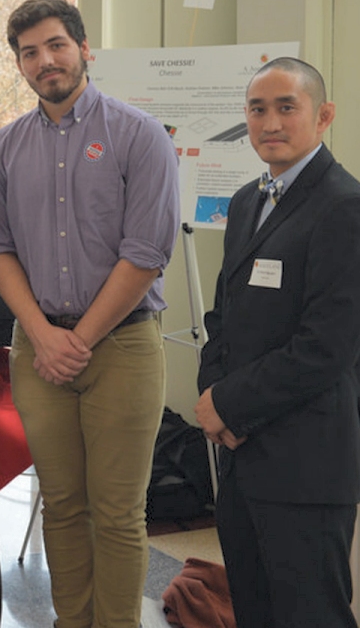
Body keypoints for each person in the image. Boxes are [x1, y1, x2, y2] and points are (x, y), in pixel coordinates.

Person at [0, 0, 179, 628]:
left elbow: (147, 252)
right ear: (19, 65)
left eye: (56, 45)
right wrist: (42, 335)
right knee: (63, 507)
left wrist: (80, 339)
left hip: (121, 347)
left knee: (119, 513)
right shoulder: (7, 146)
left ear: (84, 49)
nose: (45, 61)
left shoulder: (140, 134)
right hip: (38, 349)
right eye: (29, 53)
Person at [196, 57, 360, 628]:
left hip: (305, 462)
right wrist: (210, 395)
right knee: (255, 608)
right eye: (257, 109)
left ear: (324, 116)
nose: (270, 122)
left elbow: (326, 347)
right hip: (241, 457)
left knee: (311, 614)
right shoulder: (246, 200)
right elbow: (224, 315)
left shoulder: (345, 206)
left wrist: (228, 405)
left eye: (287, 107)